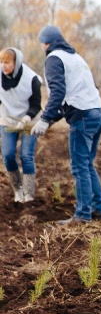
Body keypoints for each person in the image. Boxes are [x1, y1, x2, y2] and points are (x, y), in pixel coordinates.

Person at [31, 26, 101, 223]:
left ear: (45, 43)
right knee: (88, 163)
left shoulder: (54, 59)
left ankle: (82, 214)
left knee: (79, 166)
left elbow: (58, 93)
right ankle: (98, 208)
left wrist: (45, 119)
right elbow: (71, 94)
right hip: (97, 112)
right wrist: (48, 119)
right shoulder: (75, 57)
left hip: (82, 116)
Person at [0, 47, 42, 202]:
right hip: (7, 119)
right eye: (2, 62)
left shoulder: (32, 79)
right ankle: (18, 189)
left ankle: (29, 194)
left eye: (7, 62)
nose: (4, 66)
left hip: (29, 120)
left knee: (26, 155)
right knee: (8, 155)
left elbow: (36, 105)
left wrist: (25, 119)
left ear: (16, 63)